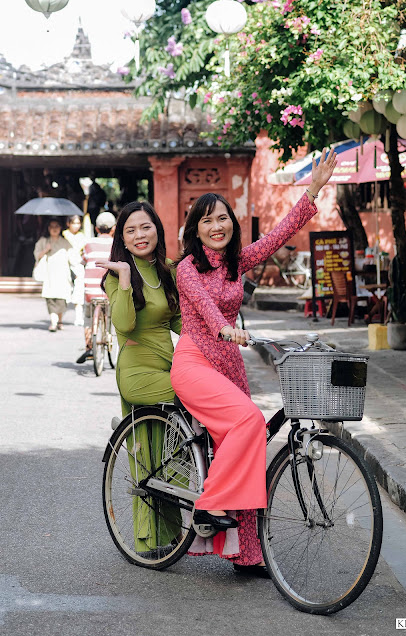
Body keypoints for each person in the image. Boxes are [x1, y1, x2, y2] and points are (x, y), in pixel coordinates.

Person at [170, 148, 337, 576]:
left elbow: (277, 237)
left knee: (247, 449)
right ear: (196, 229)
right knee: (248, 423)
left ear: (231, 222)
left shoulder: (235, 263)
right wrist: (225, 328)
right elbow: (206, 308)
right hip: (195, 362)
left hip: (229, 365)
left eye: (222, 217)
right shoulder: (187, 267)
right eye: (206, 220)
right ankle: (208, 508)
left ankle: (247, 554)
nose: (216, 225)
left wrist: (312, 189)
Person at [96, 202, 181, 416]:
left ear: (157, 230)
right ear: (122, 239)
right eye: (130, 231)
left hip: (171, 367)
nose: (139, 236)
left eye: (145, 227)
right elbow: (124, 324)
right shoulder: (115, 276)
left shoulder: (169, 270)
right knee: (201, 393)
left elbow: (180, 321)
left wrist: (218, 333)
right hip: (137, 374)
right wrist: (125, 278)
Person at [76, 211, 116, 364]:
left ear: (97, 229)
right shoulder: (116, 244)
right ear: (113, 229)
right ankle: (109, 335)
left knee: (88, 317)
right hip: (110, 291)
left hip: (91, 291)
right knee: (110, 315)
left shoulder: (89, 243)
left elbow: (82, 261)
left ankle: (89, 345)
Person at [33, 217, 77, 332]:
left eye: (56, 226)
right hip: (49, 275)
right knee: (51, 300)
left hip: (62, 275)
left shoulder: (65, 242)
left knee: (61, 300)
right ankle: (53, 322)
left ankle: (59, 320)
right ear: (48, 228)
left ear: (60, 228)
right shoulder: (43, 241)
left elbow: (73, 258)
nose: (54, 229)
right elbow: (37, 255)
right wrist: (45, 250)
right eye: (51, 227)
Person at [63, 214, 87, 326]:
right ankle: (60, 316)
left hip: (78, 265)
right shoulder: (64, 235)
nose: (76, 225)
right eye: (74, 223)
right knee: (64, 292)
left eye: (78, 223)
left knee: (79, 291)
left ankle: (78, 317)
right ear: (68, 223)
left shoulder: (82, 236)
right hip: (65, 264)